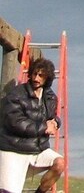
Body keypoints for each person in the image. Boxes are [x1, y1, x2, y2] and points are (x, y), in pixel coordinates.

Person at [0, 58, 65, 193]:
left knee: (59, 163)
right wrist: (44, 127)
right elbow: (15, 123)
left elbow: (52, 117)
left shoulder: (50, 96)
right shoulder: (16, 94)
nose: (36, 78)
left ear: (47, 78)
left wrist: (55, 123)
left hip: (38, 150)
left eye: (41, 75)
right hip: (13, 149)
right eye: (35, 74)